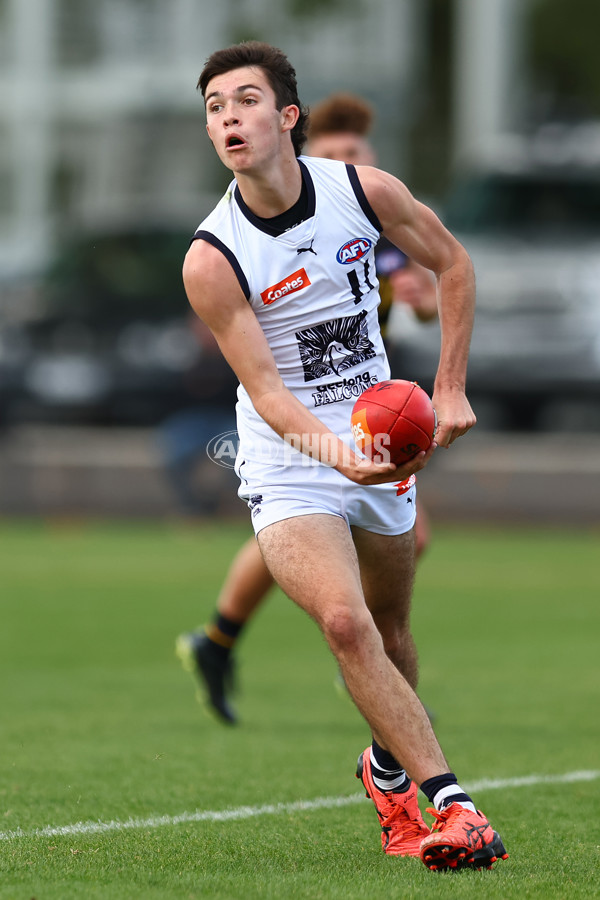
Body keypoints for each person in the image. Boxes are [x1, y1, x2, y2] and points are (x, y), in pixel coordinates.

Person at [180, 41, 508, 870]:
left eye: (245, 100)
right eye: (215, 107)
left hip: (379, 431)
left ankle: (385, 767)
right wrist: (337, 456)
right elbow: (269, 394)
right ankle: (453, 806)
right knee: (343, 621)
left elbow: (454, 264)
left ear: (288, 117)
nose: (228, 118)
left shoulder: (362, 191)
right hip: (288, 455)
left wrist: (452, 388)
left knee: (394, 630)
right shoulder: (213, 258)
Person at [176, 91, 437, 723]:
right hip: (291, 418)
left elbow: (430, 294)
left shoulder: (367, 217)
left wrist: (416, 294)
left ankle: (222, 642)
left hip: (368, 406)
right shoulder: (251, 236)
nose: (348, 161)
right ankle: (223, 640)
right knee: (308, 542)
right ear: (308, 155)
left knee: (386, 545)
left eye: (357, 152)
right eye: (337, 152)